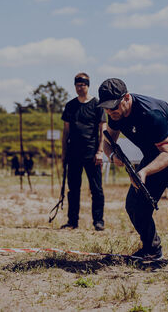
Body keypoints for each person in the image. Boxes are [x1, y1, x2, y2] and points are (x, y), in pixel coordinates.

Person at [99, 78, 168, 259]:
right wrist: (113, 156)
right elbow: (108, 140)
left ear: (126, 98)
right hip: (155, 156)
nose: (110, 111)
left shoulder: (151, 113)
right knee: (135, 205)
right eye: (106, 107)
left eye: (113, 106)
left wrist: (144, 171)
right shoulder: (116, 113)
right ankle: (152, 249)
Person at [61, 73, 106, 231]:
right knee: (73, 189)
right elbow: (65, 131)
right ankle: (72, 221)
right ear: (75, 86)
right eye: (78, 85)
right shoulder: (70, 106)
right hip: (73, 154)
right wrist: (64, 153)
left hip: (92, 154)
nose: (80, 87)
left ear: (88, 85)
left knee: (96, 189)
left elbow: (103, 130)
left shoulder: (97, 105)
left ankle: (98, 221)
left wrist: (100, 151)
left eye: (83, 85)